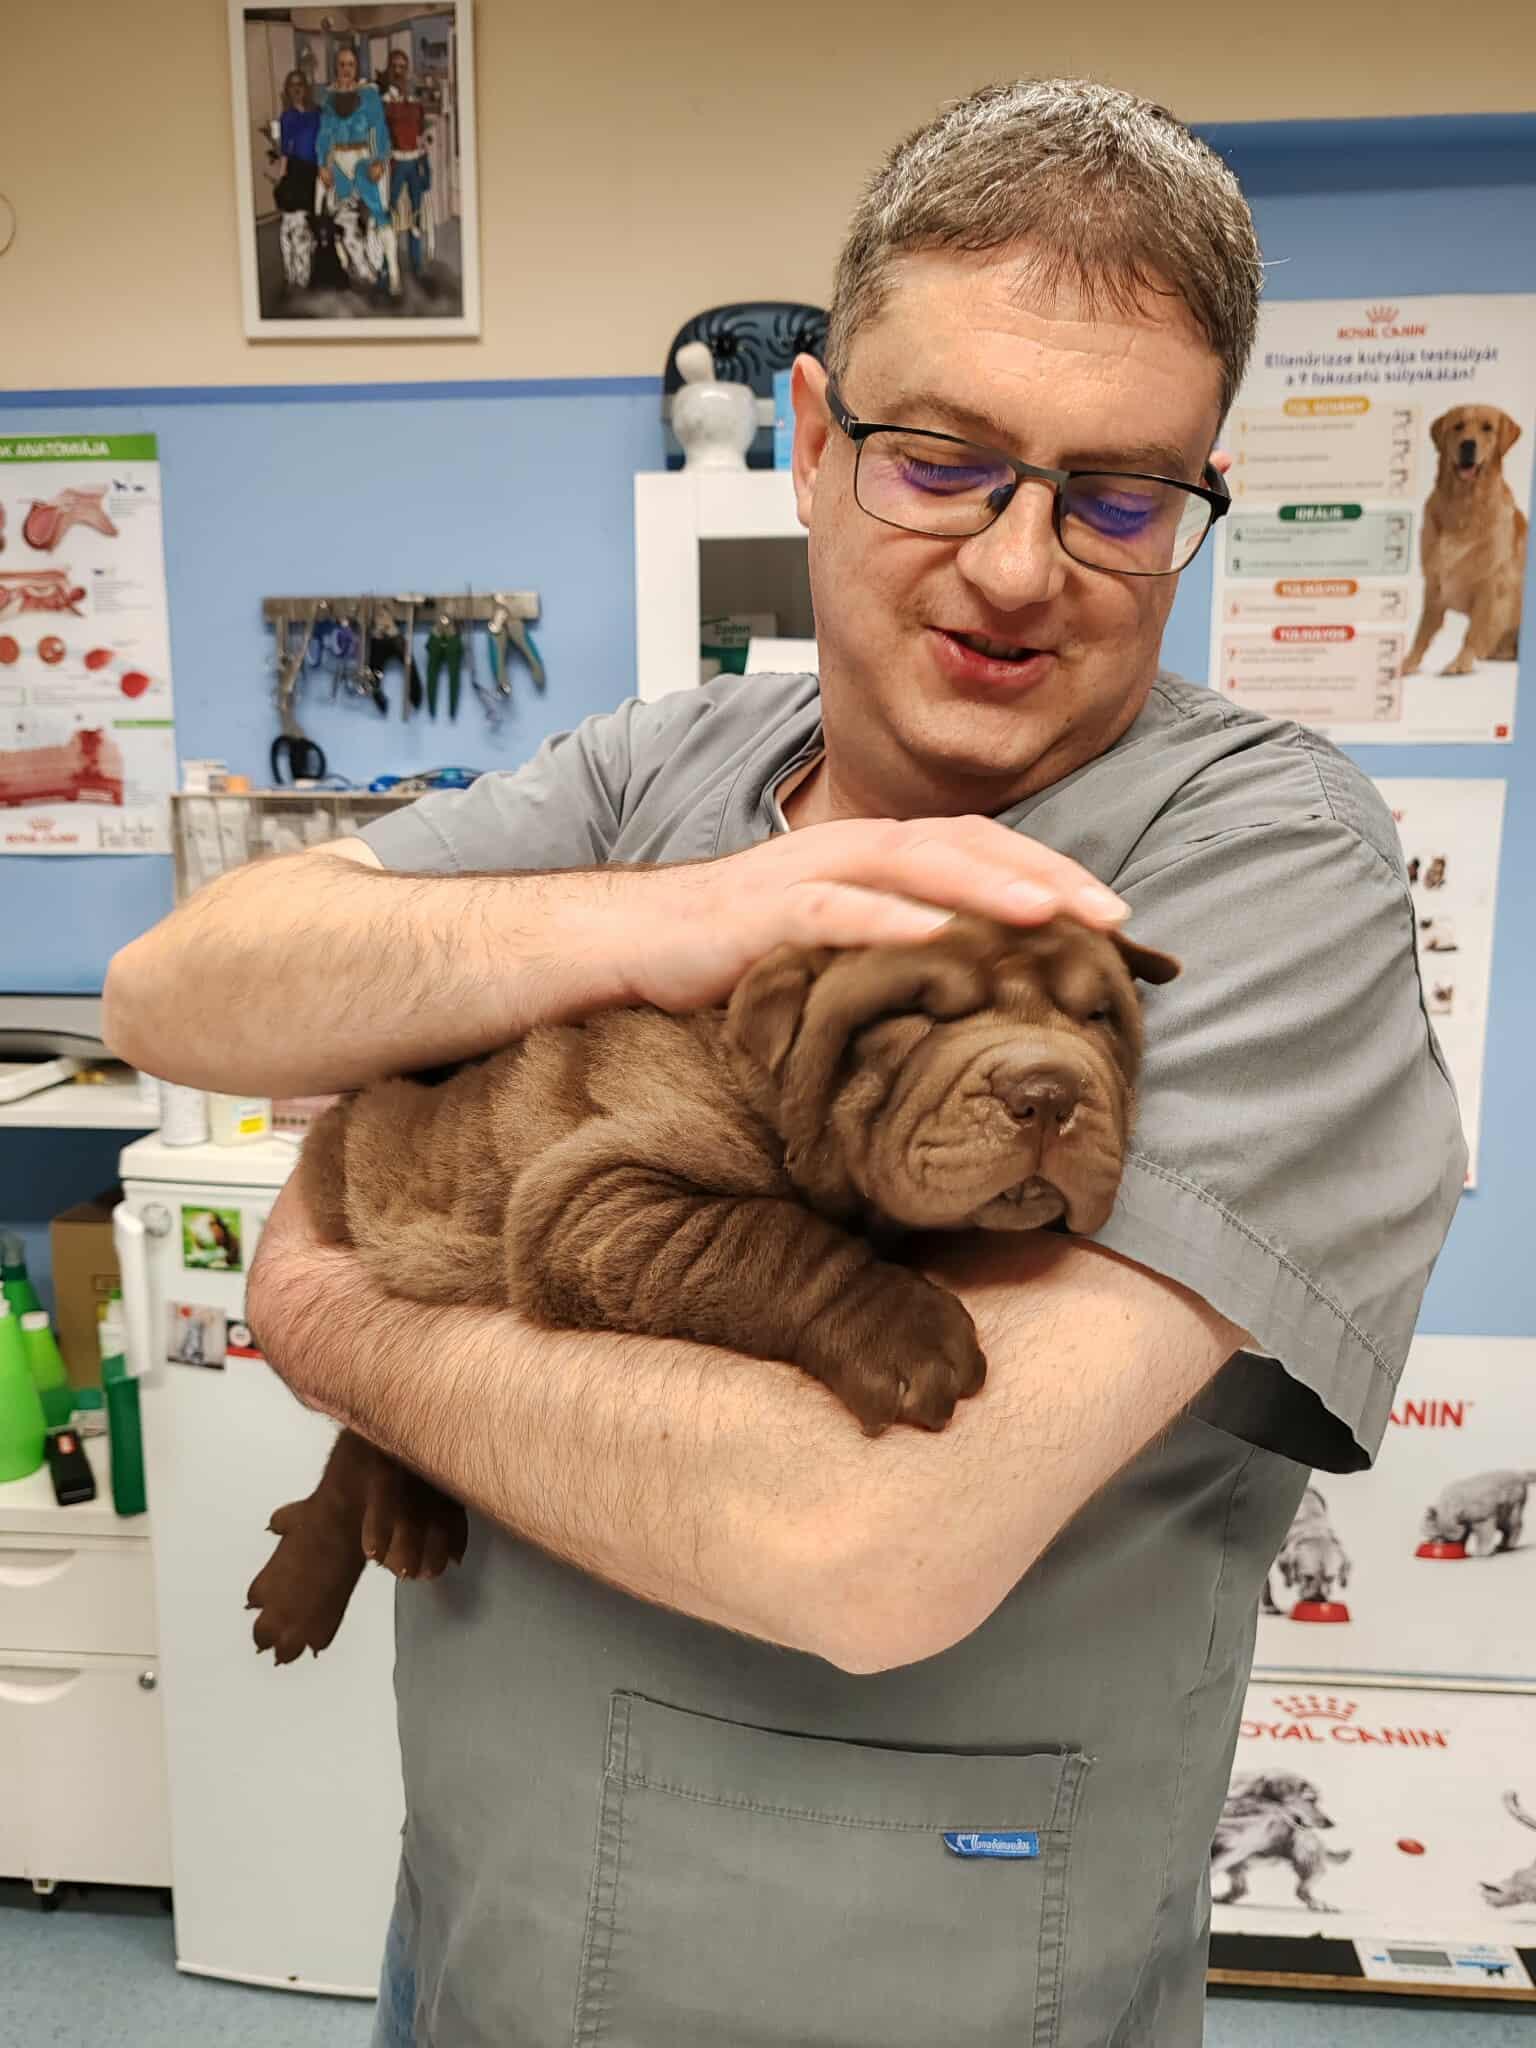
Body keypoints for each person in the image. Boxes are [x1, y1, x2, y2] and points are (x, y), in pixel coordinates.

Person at [104, 77, 1465, 2048]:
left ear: (1195, 504)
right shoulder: (664, 768)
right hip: (484, 1917)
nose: (1020, 565)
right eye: (942, 461)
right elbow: (180, 993)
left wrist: (339, 1321)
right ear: (813, 441)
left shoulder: (1263, 861)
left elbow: (865, 1542)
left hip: (910, 1985)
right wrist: (672, 915)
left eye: (1115, 496)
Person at [315, 44, 399, 296]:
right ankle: (362, 267)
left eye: (350, 64)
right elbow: (324, 136)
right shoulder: (328, 98)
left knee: (379, 214)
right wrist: (322, 164)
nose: (346, 69)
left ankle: (394, 272)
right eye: (341, 64)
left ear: (357, 67)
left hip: (363, 159)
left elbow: (379, 130)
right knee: (342, 217)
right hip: (339, 162)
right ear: (335, 67)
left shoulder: (369, 95)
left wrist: (379, 160)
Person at [379, 46, 433, 279]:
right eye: (395, 67)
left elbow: (420, 131)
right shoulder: (384, 101)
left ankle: (416, 262)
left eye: (403, 67)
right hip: (395, 163)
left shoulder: (415, 100)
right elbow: (379, 133)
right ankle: (385, 264)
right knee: (388, 213)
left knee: (416, 213)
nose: (399, 71)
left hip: (414, 161)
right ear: (389, 70)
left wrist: (424, 152)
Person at [266, 69, 321, 291]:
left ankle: (305, 273)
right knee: (293, 224)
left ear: (306, 88)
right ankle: (293, 275)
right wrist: (281, 177)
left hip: (315, 171)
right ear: (288, 90)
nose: (297, 89)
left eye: (300, 84)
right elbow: (285, 153)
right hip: (296, 171)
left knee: (309, 224)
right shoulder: (287, 117)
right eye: (292, 85)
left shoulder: (317, 113)